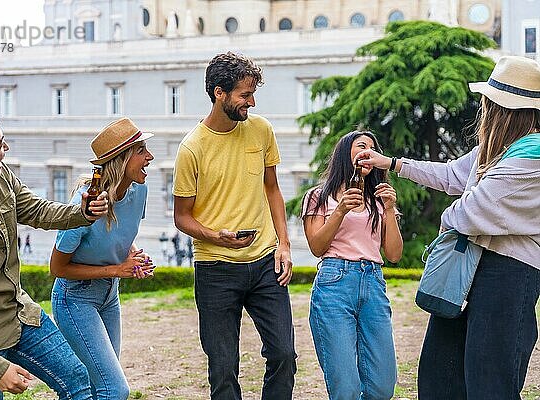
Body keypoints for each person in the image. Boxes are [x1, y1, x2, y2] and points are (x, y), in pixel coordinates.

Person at [355, 55, 540, 399]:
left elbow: (469, 212)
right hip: (472, 266)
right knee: (440, 375)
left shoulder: (531, 157)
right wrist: (393, 163)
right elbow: (453, 175)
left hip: (509, 275)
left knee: (490, 383)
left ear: (500, 108)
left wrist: (447, 221)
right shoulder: (497, 149)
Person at [0, 107, 109, 400]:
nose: (6, 149)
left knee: (78, 382)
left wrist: (82, 213)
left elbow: (34, 209)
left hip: (22, 313)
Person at [173, 52, 296, 400]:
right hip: (215, 269)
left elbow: (272, 189)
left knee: (284, 355)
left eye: (253, 94)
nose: (251, 102)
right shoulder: (191, 149)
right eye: (244, 95)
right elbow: (182, 217)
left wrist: (284, 245)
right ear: (219, 93)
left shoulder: (261, 130)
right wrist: (217, 237)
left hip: (264, 263)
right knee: (223, 368)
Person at [50, 117, 156, 400]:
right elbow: (57, 268)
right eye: (141, 150)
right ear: (121, 159)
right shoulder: (84, 207)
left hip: (110, 296)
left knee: (100, 387)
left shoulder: (139, 191)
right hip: (75, 300)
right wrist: (117, 268)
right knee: (115, 389)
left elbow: (121, 234)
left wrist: (133, 257)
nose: (150, 157)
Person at [301, 130, 403, 400]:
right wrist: (340, 210)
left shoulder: (379, 200)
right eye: (361, 145)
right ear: (345, 153)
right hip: (334, 284)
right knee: (345, 388)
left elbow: (393, 254)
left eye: (373, 147)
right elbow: (316, 247)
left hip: (373, 284)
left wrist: (390, 209)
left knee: (382, 386)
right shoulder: (318, 196)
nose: (368, 150)